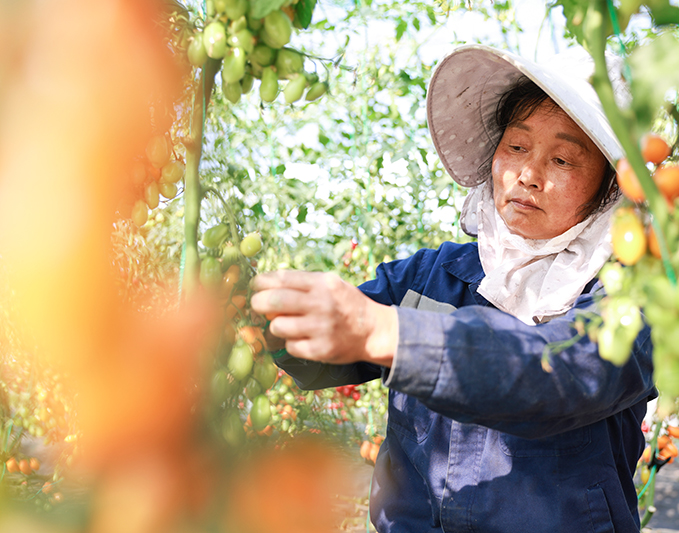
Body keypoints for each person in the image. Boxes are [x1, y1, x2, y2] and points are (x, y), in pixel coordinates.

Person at [250, 44, 655, 532]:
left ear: (609, 188)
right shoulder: (432, 275)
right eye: (517, 147)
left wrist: (385, 332)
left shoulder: (628, 297)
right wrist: (259, 318)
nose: (528, 175)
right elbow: (322, 353)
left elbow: (557, 377)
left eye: (564, 160)